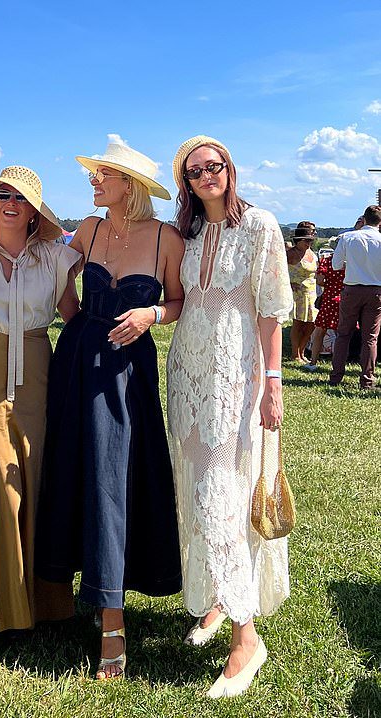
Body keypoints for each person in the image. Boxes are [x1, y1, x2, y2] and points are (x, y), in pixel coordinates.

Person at [35, 142, 184, 680]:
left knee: (113, 478)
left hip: (127, 369)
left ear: (130, 185)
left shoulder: (167, 238)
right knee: (73, 469)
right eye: (95, 174)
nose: (93, 181)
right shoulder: (87, 229)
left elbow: (179, 302)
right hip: (76, 358)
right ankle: (72, 595)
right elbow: (53, 269)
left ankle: (114, 622)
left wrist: (149, 313)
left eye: (102, 175)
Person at [167, 135, 293, 698]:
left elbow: (272, 308)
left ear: (230, 169)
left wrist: (273, 380)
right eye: (195, 172)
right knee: (195, 492)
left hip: (236, 377)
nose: (206, 176)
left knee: (224, 494)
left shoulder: (260, 225)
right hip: (186, 375)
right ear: (186, 183)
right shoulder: (188, 234)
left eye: (213, 167)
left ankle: (247, 638)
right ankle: (218, 600)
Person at [0, 166, 81, 644]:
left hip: (38, 375)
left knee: (35, 475)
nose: (9, 202)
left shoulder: (55, 260)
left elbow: (74, 315)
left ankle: (42, 603)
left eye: (20, 198)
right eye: (2, 194)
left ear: (33, 212)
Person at [329, 205, 381, 389]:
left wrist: (351, 264)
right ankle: (367, 379)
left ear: (364, 219)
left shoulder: (348, 237)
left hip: (351, 289)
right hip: (376, 291)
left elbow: (335, 265)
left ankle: (336, 376)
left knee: (343, 334)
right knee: (370, 337)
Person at [303, 249, 345, 371]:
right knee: (342, 334)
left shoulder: (327, 260)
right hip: (345, 298)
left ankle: (313, 362)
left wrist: (331, 285)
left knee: (320, 331)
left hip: (329, 299)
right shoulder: (351, 261)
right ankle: (338, 364)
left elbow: (320, 280)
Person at [287, 222, 318, 362]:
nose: (309, 243)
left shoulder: (312, 253)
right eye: (306, 240)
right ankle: (295, 353)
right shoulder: (290, 254)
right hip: (297, 294)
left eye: (311, 240)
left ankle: (302, 351)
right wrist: (288, 283)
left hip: (312, 293)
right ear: (298, 240)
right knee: (298, 324)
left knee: (311, 324)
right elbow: (277, 272)